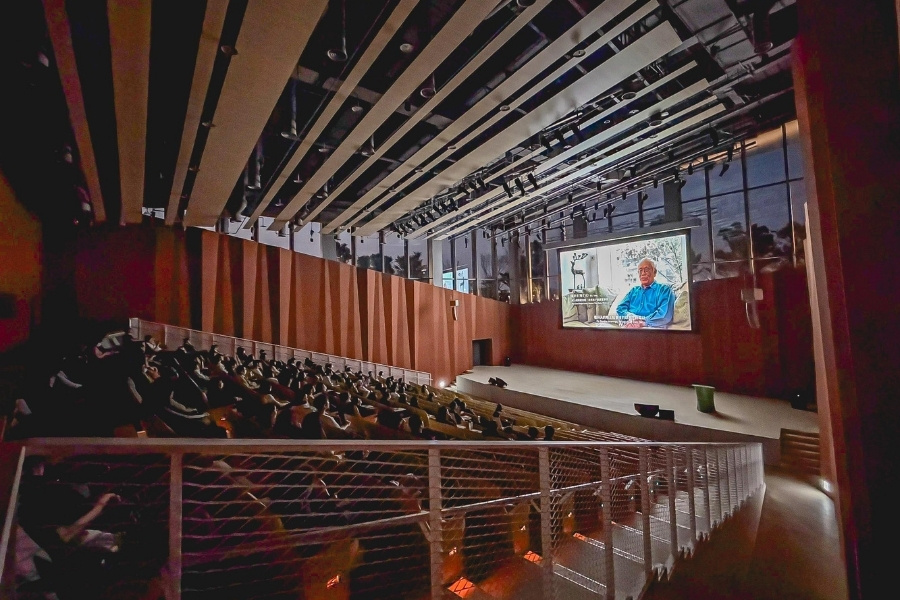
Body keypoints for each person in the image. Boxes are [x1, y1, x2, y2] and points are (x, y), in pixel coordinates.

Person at [615, 258, 676, 329]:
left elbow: (665, 315)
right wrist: (630, 316)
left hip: (650, 328)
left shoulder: (664, 290)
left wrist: (643, 322)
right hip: (630, 326)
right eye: (640, 271)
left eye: (646, 270)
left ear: (655, 272)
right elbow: (620, 308)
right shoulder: (633, 291)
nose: (643, 273)